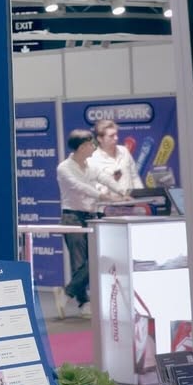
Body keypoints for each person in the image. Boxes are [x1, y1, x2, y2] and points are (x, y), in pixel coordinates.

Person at [56, 130, 117, 313]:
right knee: (79, 261)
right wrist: (101, 195)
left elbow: (105, 178)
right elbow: (78, 186)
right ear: (82, 147)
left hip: (91, 217)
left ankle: (67, 292)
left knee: (95, 259)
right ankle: (84, 302)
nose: (93, 147)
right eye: (91, 144)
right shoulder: (64, 168)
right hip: (72, 217)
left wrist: (121, 191)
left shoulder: (91, 166)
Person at [87, 118, 143, 198]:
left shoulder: (124, 151)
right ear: (100, 139)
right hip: (109, 204)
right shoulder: (92, 160)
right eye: (111, 136)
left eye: (116, 134)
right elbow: (94, 190)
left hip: (132, 202)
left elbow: (135, 177)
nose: (116, 138)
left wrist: (141, 197)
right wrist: (112, 181)